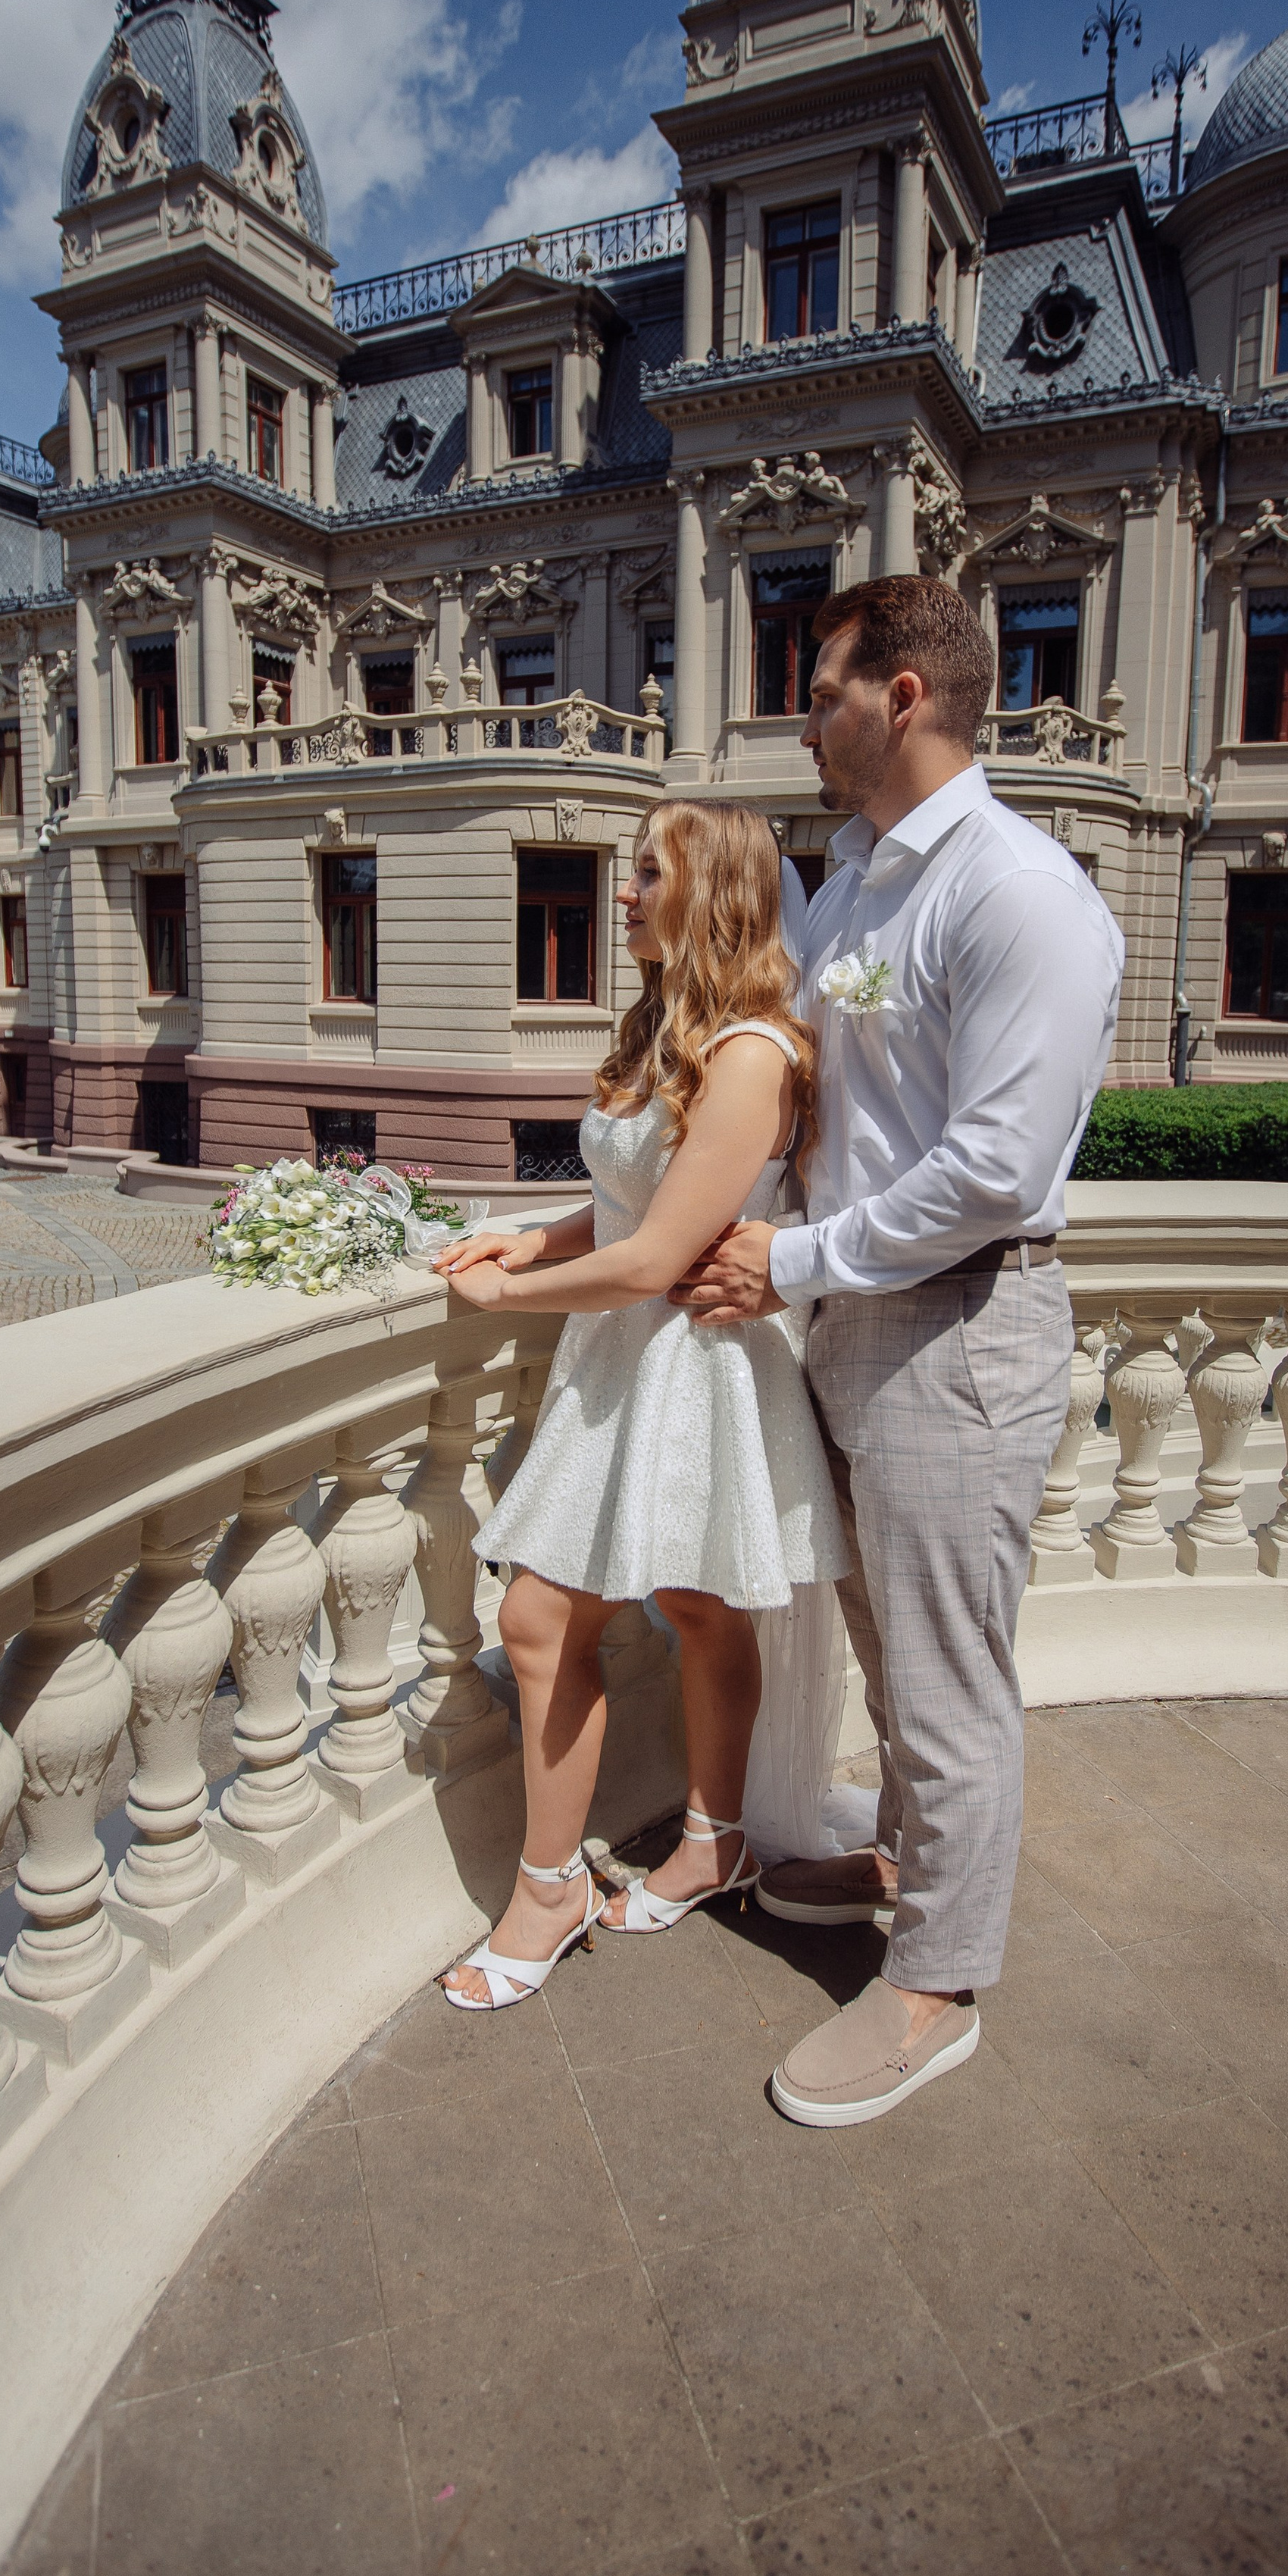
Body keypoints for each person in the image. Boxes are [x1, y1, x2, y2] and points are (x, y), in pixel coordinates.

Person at [677, 573, 1124, 2129]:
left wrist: (786, 1257)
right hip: (850, 1321)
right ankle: (918, 1867)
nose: (802, 721)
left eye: (818, 691)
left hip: (961, 1326)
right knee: (883, 1639)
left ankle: (935, 1982)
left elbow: (995, 1167)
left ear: (903, 696)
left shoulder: (1018, 893)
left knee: (945, 1680)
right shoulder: (853, 874)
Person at [431, 800, 846, 2011]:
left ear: (707, 892)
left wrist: (513, 1301)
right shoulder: (668, 1023)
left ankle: (617, 1868)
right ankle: (646, 1858)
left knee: (606, 1616)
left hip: (694, 1365)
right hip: (626, 1361)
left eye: (645, 873)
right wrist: (525, 1233)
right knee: (654, 1611)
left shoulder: (757, 1051)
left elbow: (660, 1256)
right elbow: (624, 1201)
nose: (622, 895)